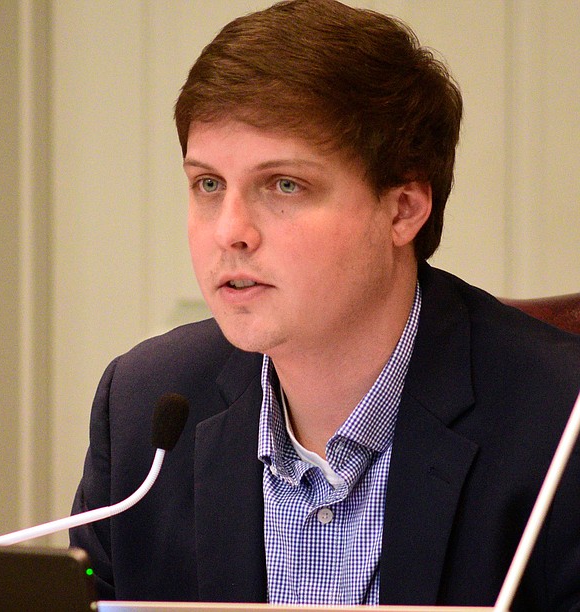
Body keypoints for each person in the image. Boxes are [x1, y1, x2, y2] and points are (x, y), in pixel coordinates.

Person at [69, 0, 580, 607]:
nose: (230, 230)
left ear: (403, 208)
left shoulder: (560, 420)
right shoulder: (143, 408)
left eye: (284, 185)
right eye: (209, 184)